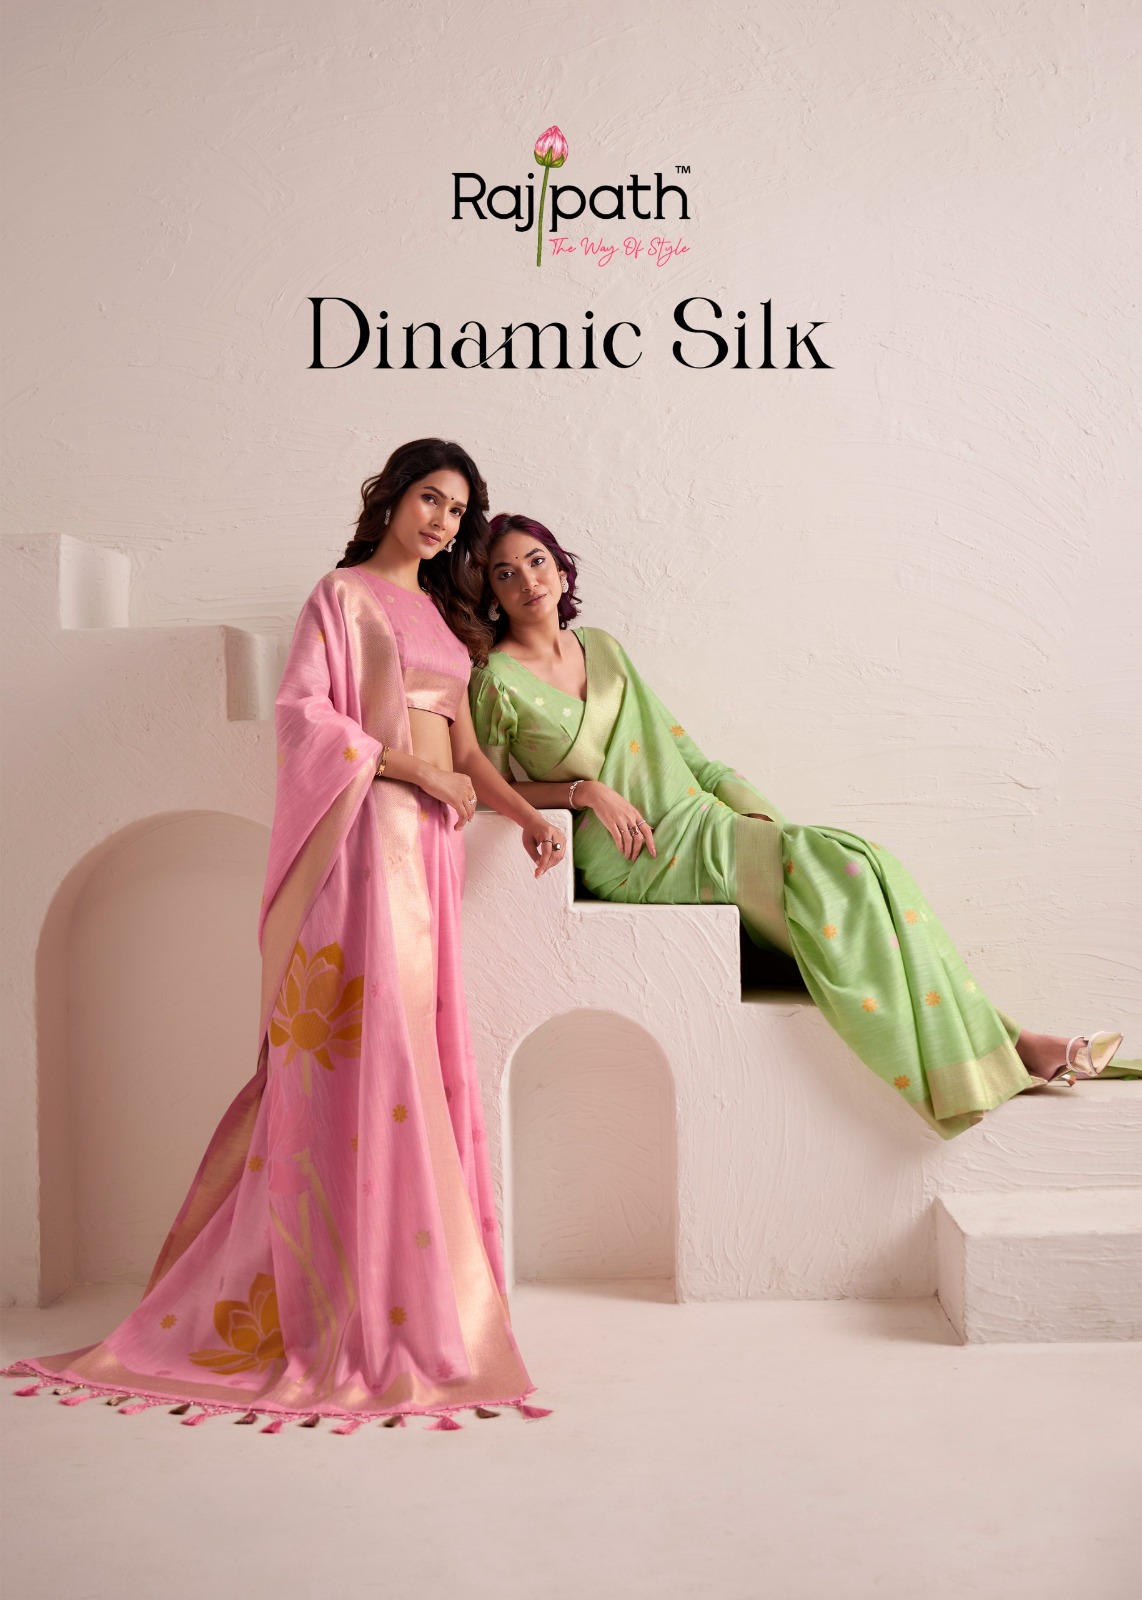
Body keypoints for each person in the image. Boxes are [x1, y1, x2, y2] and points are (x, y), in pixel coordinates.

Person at [3, 443, 566, 1431]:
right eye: (428, 497)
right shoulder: (339, 598)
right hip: (368, 837)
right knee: (369, 1049)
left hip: (432, 851)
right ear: (390, 498)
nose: (441, 520)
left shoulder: (445, 619)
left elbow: (470, 747)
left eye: (456, 509)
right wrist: (413, 772)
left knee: (420, 1048)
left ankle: (415, 1290)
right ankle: (347, 1301)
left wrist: (520, 813)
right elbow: (304, 716)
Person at [466, 514, 1138, 1141]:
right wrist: (583, 793)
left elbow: (685, 751)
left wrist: (754, 813)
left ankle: (1015, 1045)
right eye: (505, 573)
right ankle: (1014, 1049)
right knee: (842, 869)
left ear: (561, 567)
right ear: (491, 593)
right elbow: (487, 789)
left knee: (861, 862)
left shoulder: (603, 649)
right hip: (633, 855)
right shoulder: (496, 680)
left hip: (699, 821)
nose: (528, 581)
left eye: (537, 561)